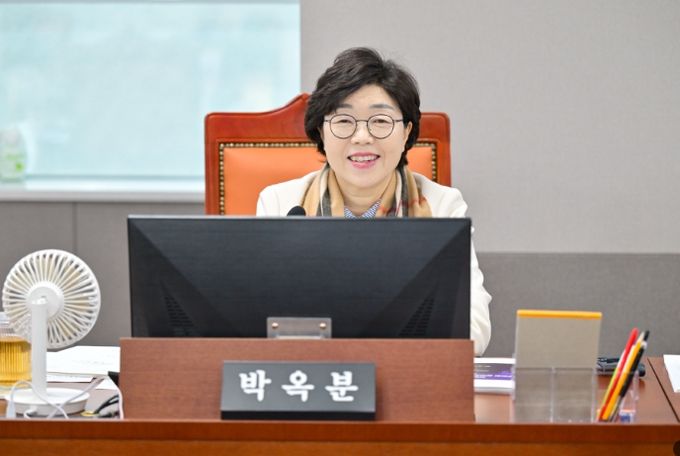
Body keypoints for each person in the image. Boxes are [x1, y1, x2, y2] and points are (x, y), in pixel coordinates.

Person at [256, 47, 491, 355]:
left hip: (405, 371)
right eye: (344, 120)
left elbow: (474, 328)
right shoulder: (282, 203)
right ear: (321, 132)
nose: (362, 137)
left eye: (380, 121)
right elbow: (261, 322)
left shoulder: (442, 206)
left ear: (406, 133)